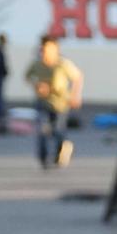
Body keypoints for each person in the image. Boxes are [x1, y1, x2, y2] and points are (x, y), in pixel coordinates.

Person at [25, 35, 78, 168]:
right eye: (43, 49)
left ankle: (61, 151)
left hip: (60, 103)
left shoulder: (62, 64)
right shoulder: (37, 64)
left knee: (57, 130)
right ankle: (43, 157)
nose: (45, 52)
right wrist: (37, 84)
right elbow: (28, 76)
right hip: (42, 102)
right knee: (42, 128)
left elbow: (77, 77)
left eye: (48, 49)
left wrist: (75, 95)